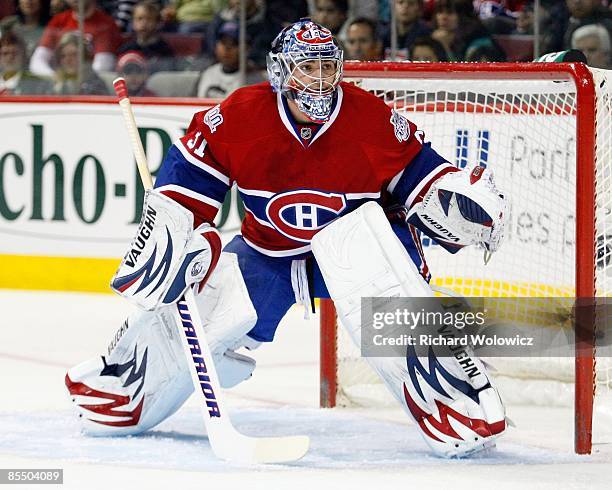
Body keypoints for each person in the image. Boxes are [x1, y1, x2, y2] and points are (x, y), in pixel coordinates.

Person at [65, 19, 508, 458]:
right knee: (211, 306)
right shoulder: (240, 116)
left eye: (326, 68)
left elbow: (421, 176)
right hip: (269, 251)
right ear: (279, 72)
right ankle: (125, 391)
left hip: (354, 247)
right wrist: (179, 233)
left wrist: (453, 196)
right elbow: (188, 185)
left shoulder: (371, 118)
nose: (319, 80)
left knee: (386, 286)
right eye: (306, 68)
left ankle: (455, 401)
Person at [29, 0, 122, 76]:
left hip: (90, 89)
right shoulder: (58, 21)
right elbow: (38, 60)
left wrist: (77, 79)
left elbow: (103, 65)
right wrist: (55, 78)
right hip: (60, 86)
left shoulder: (105, 24)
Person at [196, 20, 263, 98]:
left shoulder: (257, 80)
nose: (227, 48)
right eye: (223, 42)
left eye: (234, 43)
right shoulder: (207, 74)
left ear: (247, 48)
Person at [118, 0, 176, 72]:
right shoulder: (126, 49)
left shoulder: (164, 50)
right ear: (133, 23)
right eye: (139, 18)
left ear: (158, 23)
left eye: (149, 19)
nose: (144, 23)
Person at [0, 29, 52, 94]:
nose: (10, 57)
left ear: (23, 56)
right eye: (5, 53)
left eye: (14, 53)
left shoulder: (38, 85)